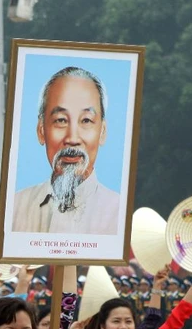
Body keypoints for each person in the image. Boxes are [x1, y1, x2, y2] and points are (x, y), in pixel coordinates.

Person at [12, 66, 121, 235]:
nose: (72, 139)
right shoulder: (14, 209)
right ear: (41, 131)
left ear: (102, 132)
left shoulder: (120, 214)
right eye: (61, 120)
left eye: (86, 120)